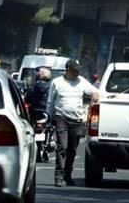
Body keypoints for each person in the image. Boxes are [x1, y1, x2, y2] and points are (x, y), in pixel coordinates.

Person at [45, 59, 99, 187]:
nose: (77, 72)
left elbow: (93, 91)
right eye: (75, 69)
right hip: (61, 118)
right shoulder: (56, 82)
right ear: (68, 69)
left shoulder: (81, 81)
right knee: (62, 147)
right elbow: (50, 102)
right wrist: (48, 117)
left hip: (76, 120)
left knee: (72, 150)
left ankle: (67, 175)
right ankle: (59, 176)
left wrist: (96, 94)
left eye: (78, 70)